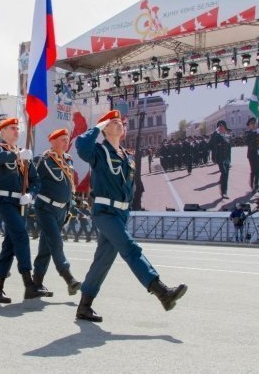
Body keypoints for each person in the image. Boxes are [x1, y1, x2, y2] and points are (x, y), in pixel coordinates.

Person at [75, 110, 187, 322]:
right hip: (105, 211)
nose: (119, 125)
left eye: (120, 122)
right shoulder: (99, 151)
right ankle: (162, 291)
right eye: (113, 122)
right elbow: (81, 146)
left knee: (103, 261)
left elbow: (130, 186)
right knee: (130, 248)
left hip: (120, 213)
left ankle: (84, 306)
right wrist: (98, 126)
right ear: (105, 128)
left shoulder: (126, 156)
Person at [0, 117, 49, 303]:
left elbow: (35, 181)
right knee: (21, 235)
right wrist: (17, 155)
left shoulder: (24, 154)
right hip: (4, 200)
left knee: (10, 245)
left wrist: (30, 195)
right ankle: (28, 283)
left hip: (20, 203)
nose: (16, 131)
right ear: (3, 132)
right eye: (11, 128)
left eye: (17, 128)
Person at [32, 128, 81, 297]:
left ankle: (36, 283)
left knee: (46, 247)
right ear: (52, 141)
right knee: (56, 242)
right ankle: (69, 279)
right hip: (45, 208)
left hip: (62, 210)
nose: (66, 142)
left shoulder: (68, 160)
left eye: (67, 140)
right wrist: (27, 195)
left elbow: (68, 187)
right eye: (62, 139)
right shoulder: (42, 160)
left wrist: (71, 206)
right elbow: (30, 180)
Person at [209, 120, 232, 199]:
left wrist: (230, 160)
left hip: (227, 159)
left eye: (223, 126)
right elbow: (210, 144)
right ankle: (224, 192)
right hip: (220, 159)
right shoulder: (216, 137)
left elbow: (229, 149)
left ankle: (224, 189)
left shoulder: (228, 136)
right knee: (224, 173)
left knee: (226, 175)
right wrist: (215, 132)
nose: (222, 128)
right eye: (220, 127)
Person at [244, 117, 259, 192]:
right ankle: (252, 185)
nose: (253, 125)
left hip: (258, 153)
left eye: (254, 123)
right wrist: (256, 134)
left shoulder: (258, 132)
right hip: (251, 154)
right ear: (249, 126)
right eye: (251, 124)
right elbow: (249, 142)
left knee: (258, 170)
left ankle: (257, 186)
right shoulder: (248, 133)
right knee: (253, 170)